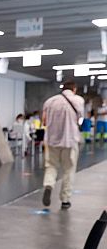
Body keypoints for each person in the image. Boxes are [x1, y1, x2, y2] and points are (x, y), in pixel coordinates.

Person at [41, 79, 84, 209]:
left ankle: (49, 184)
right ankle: (65, 200)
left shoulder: (50, 101)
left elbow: (44, 121)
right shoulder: (78, 100)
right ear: (74, 89)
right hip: (70, 141)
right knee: (68, 169)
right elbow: (80, 120)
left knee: (51, 166)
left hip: (52, 140)